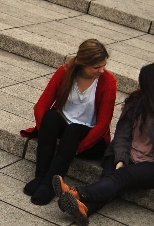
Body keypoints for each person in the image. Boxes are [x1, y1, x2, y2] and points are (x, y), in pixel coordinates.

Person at [53, 62, 154, 226]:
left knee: (122, 176)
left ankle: (77, 193)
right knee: (110, 178)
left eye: (143, 83)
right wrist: (121, 158)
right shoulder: (136, 101)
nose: (139, 87)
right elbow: (122, 134)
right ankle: (84, 209)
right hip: (127, 152)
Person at [20, 39, 117, 205]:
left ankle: (50, 183)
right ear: (82, 63)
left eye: (103, 65)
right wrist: (47, 134)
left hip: (90, 138)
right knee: (50, 116)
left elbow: (102, 125)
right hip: (64, 128)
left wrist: (73, 147)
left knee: (73, 130)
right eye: (96, 67)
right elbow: (40, 107)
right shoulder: (64, 72)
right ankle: (40, 175)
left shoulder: (108, 81)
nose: (101, 70)